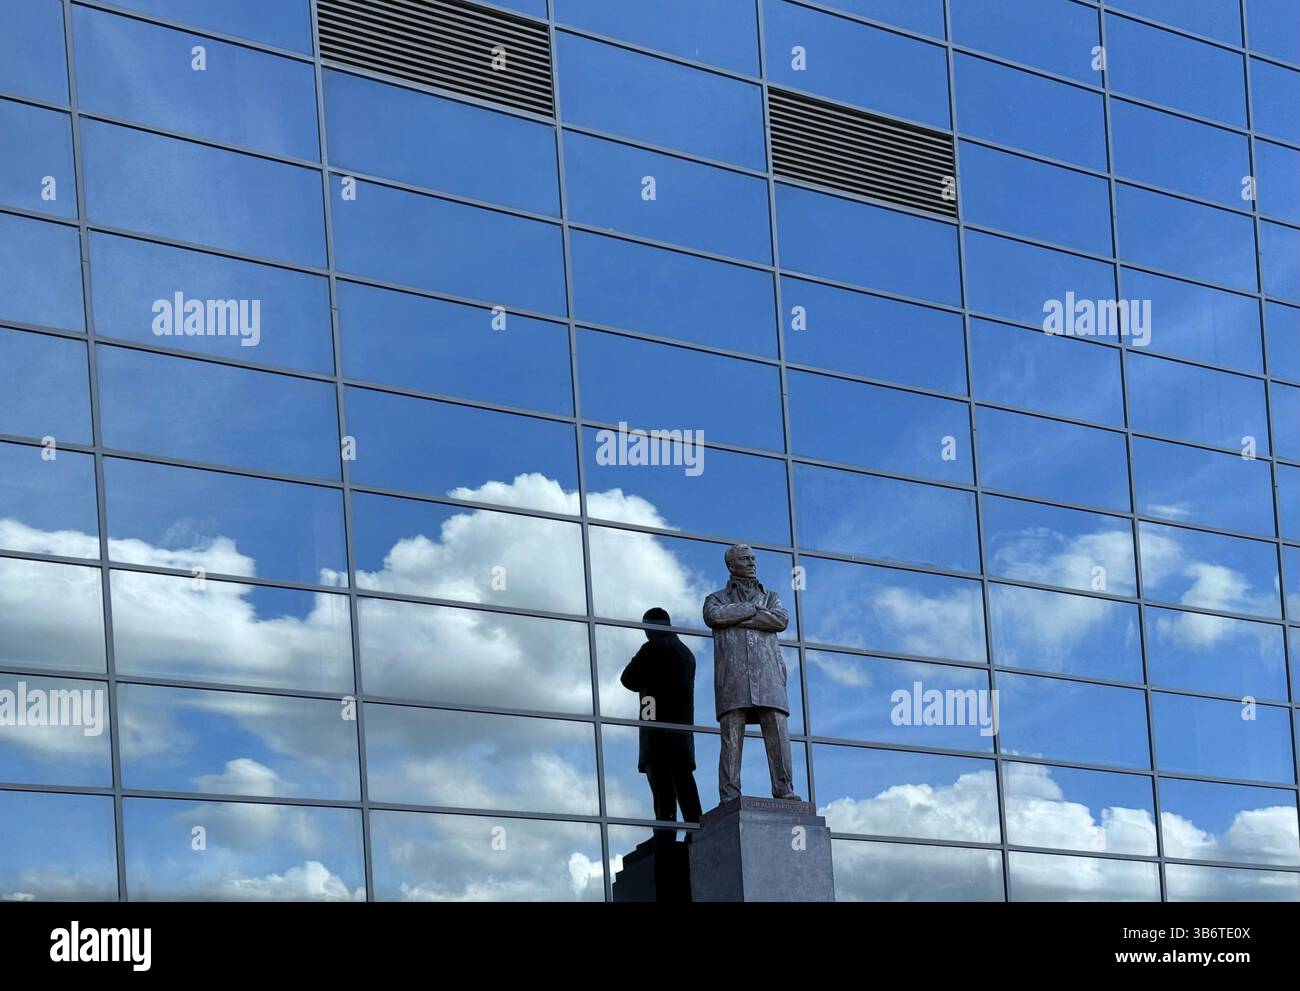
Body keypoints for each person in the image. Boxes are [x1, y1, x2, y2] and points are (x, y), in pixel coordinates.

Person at [703, 543, 801, 802]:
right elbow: (713, 616)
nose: (751, 562)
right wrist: (751, 609)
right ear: (731, 565)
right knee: (731, 740)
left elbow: (779, 620)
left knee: (778, 735)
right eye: (745, 559)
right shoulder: (715, 599)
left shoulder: (771, 596)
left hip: (769, 678)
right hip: (733, 680)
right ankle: (729, 795)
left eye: (753, 558)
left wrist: (734, 617)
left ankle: (784, 790)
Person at [620, 607, 702, 840]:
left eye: (647, 628)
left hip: (656, 729)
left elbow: (627, 679)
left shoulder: (651, 649)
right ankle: (695, 831)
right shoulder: (686, 653)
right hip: (681, 732)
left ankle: (666, 836)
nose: (646, 634)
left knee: (662, 789)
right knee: (684, 785)